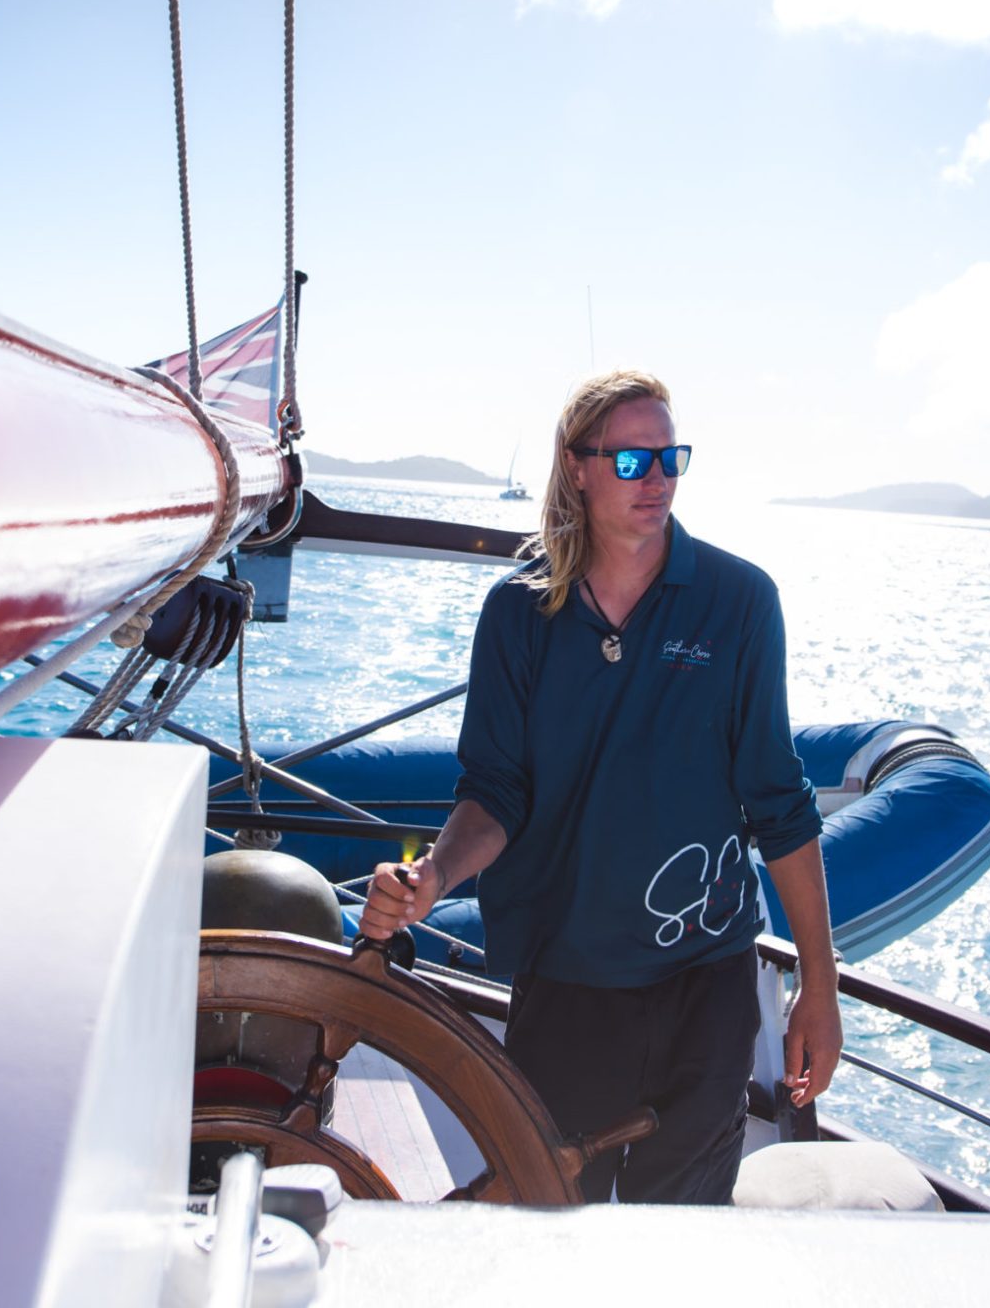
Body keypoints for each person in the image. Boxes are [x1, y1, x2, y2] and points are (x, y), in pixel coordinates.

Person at [360, 370, 841, 1203]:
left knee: (683, 1247)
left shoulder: (740, 603)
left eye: (669, 458)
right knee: (551, 1231)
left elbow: (778, 798)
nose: (655, 479)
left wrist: (819, 987)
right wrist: (435, 877)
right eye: (631, 461)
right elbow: (494, 793)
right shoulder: (518, 613)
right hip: (568, 986)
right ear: (577, 466)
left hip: (707, 984)